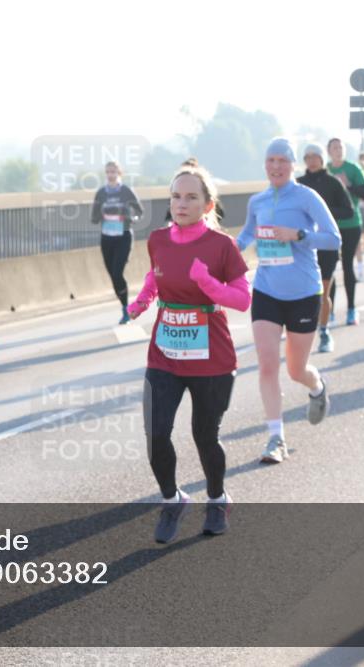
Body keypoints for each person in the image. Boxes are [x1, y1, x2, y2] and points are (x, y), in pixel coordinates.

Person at [126, 165, 249, 542]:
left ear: (207, 204)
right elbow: (156, 273)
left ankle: (217, 498)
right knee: (156, 434)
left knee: (204, 436)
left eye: (191, 197)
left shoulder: (221, 246)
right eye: (176, 196)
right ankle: (173, 499)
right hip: (165, 352)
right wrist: (144, 299)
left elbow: (243, 299)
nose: (182, 203)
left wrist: (206, 282)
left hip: (211, 356)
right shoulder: (159, 240)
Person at [236, 139, 341, 464]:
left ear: (292, 164)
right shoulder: (258, 201)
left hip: (304, 293)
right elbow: (245, 237)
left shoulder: (306, 197)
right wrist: (219, 252)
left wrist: (298, 235)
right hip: (267, 290)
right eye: (271, 160)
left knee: (296, 370)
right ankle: (275, 438)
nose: (276, 166)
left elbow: (333, 237)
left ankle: (317, 385)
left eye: (282, 160)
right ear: (265, 164)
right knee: (267, 364)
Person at [296, 143, 353, 354]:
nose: (311, 160)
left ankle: (324, 331)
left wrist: (324, 216)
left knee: (323, 290)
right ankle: (300, 330)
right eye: (307, 157)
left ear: (321, 159)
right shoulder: (297, 185)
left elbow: (348, 211)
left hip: (326, 245)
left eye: (315, 156)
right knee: (299, 292)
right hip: (302, 246)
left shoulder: (333, 183)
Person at [91, 160, 144, 324]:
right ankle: (124, 306)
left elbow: (139, 212)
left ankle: (126, 311)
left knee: (117, 272)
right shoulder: (101, 193)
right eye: (108, 172)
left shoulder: (126, 191)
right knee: (113, 276)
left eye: (113, 172)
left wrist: (131, 219)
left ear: (119, 173)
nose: (110, 175)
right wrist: (100, 215)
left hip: (123, 236)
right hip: (107, 237)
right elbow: (94, 217)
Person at [326, 138, 364, 325]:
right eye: (334, 148)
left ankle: (352, 309)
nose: (338, 150)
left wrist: (348, 184)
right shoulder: (325, 171)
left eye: (341, 147)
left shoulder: (353, 169)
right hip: (329, 225)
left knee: (347, 266)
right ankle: (329, 312)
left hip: (351, 224)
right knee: (329, 269)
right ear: (328, 151)